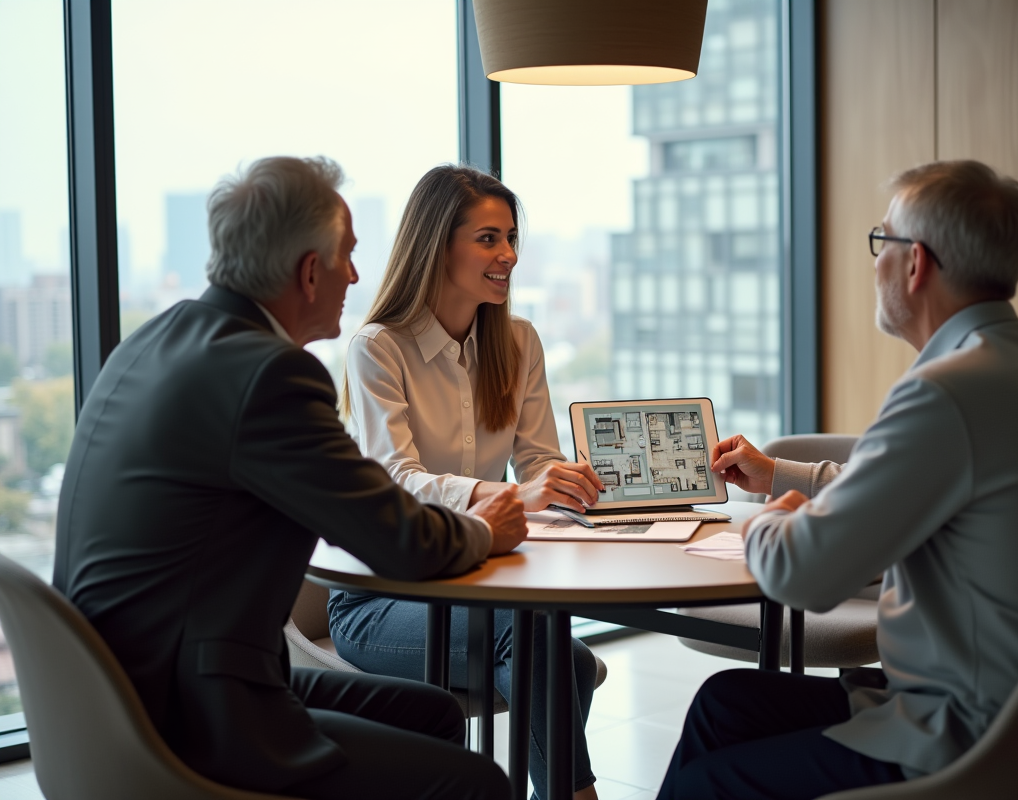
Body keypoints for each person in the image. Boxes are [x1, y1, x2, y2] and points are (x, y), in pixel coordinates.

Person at [656, 159, 1018, 800]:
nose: (874, 260)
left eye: (880, 241)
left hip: (981, 741)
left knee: (706, 785)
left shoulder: (945, 393)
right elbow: (904, 486)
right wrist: (779, 476)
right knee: (727, 704)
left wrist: (776, 520)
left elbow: (803, 575)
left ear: (916, 265)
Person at [53, 156, 525, 800]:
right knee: (479, 784)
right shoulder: (268, 375)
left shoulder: (156, 339)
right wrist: (482, 529)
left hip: (114, 693)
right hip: (185, 710)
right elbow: (397, 539)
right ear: (310, 272)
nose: (356, 276)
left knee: (433, 714)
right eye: (347, 257)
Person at [329, 164, 606, 800]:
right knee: (544, 646)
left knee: (571, 660)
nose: (507, 254)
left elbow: (537, 465)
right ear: (437, 243)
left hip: (472, 583)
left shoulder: (518, 342)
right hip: (378, 597)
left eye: (512, 238)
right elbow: (396, 479)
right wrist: (502, 496)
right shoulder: (378, 347)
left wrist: (563, 485)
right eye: (488, 238)